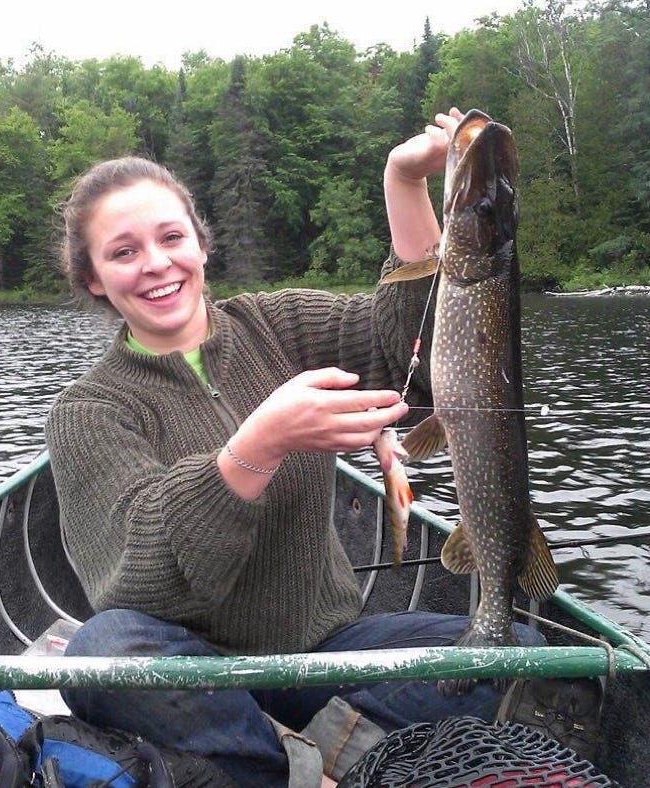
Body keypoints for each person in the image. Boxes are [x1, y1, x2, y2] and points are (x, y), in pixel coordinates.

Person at [45, 107, 545, 788]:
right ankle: (290, 762)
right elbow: (136, 578)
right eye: (123, 252)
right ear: (95, 279)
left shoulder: (278, 326)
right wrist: (257, 447)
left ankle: (274, 749)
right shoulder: (87, 413)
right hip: (195, 670)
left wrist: (404, 184)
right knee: (102, 652)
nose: (156, 264)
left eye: (171, 237)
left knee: (517, 647)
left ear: (200, 243)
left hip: (327, 649)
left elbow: (419, 356)